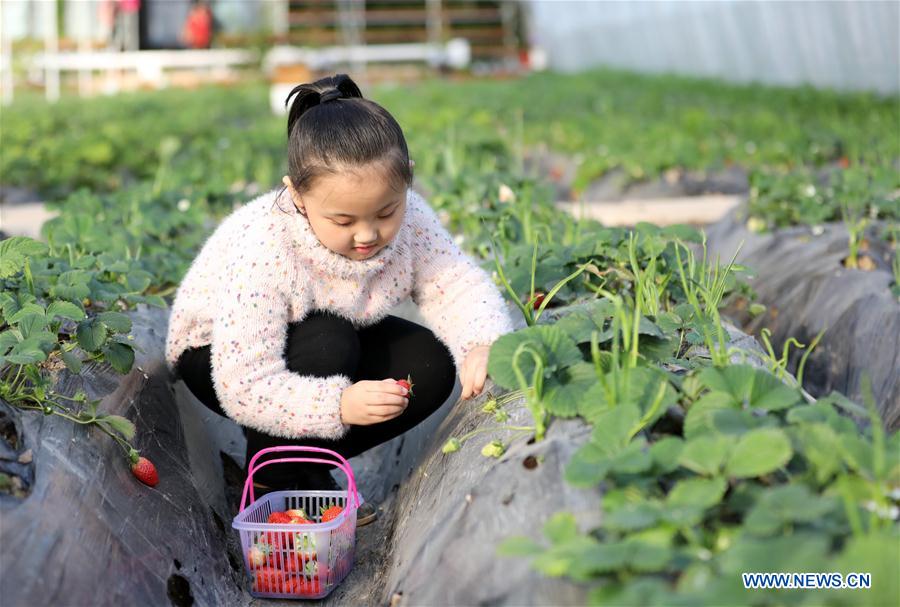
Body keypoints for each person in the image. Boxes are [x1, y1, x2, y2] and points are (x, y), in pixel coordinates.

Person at [165, 74, 515, 526]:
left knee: (429, 365)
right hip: (219, 356)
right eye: (343, 220)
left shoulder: (413, 224)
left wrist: (483, 341)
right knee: (328, 339)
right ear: (297, 196)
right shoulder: (267, 248)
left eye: (386, 211)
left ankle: (299, 466)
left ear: (407, 176)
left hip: (317, 338)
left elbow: (456, 284)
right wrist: (337, 406)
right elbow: (243, 382)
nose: (368, 234)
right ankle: (277, 480)